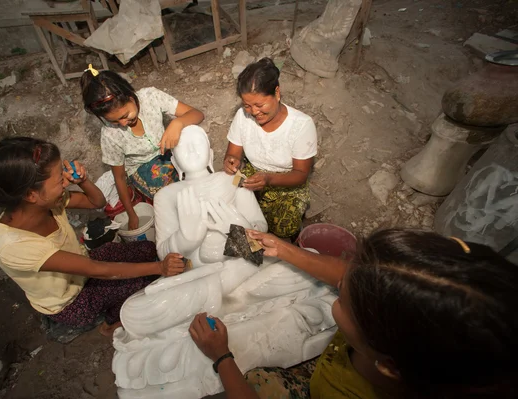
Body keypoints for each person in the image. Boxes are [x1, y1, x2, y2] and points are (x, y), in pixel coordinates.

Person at [189, 229, 518, 399]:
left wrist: (222, 358)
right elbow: (350, 276)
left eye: (346, 300)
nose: (340, 281)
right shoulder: (402, 335)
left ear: (389, 366)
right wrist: (285, 249)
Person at [0, 137, 185, 336]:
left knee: (146, 249)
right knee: (144, 282)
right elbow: (99, 270)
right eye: (60, 179)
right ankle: (111, 324)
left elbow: (97, 202)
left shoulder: (46, 200)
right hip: (72, 301)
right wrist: (159, 268)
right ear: (32, 195)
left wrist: (83, 181)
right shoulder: (13, 246)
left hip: (82, 266)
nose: (66, 181)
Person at [80, 65, 204, 230]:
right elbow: (120, 178)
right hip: (142, 167)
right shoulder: (110, 134)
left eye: (125, 115)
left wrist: (177, 122)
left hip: (166, 151)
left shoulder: (150, 97)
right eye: (114, 121)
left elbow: (197, 114)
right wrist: (132, 214)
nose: (123, 123)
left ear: (131, 96)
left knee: (195, 152)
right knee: (170, 195)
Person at [223, 58, 318, 239]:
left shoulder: (301, 126)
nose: (254, 111)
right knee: (227, 199)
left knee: (284, 227)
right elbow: (233, 152)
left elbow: (300, 174)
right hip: (254, 173)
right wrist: (231, 160)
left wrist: (268, 179)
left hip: (286, 180)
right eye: (247, 105)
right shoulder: (243, 116)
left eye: (260, 105)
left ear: (277, 92)